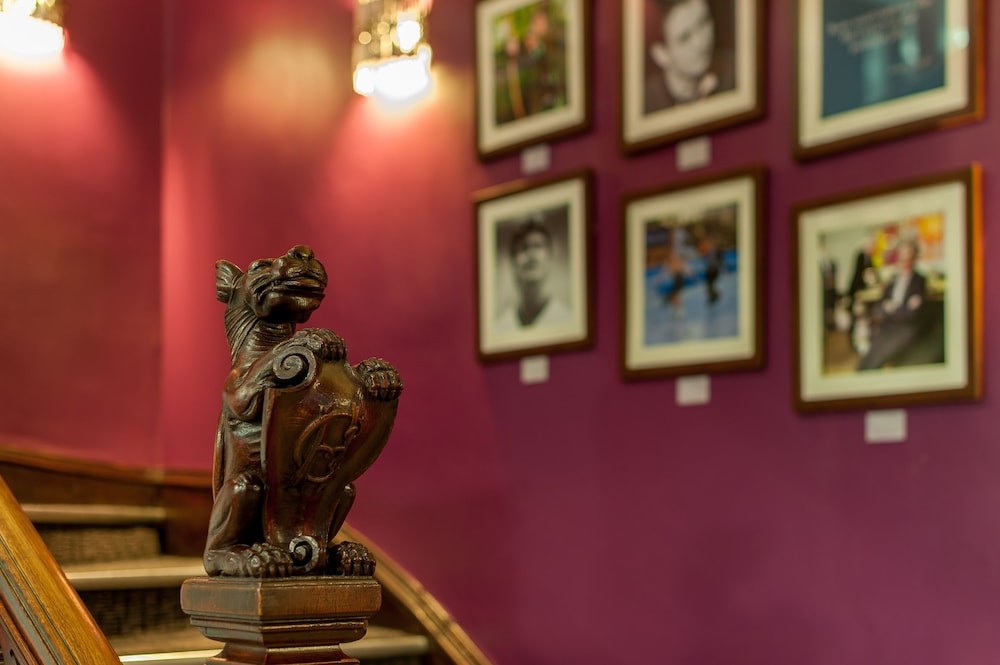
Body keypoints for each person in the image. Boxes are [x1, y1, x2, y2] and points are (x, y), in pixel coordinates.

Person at [644, 0, 734, 113]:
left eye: (703, 21)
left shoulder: (736, 71)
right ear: (661, 54)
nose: (701, 42)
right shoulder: (646, 103)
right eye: (685, 38)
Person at [856, 240, 928, 371]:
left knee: (881, 355)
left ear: (914, 259)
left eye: (908, 258)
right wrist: (895, 309)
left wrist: (892, 309)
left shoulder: (919, 281)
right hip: (887, 324)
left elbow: (912, 314)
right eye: (902, 258)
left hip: (904, 327)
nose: (904, 262)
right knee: (869, 356)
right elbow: (882, 303)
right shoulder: (893, 279)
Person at [496, 217, 571, 330]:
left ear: (550, 257)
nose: (531, 254)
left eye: (538, 246)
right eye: (524, 248)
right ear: (513, 261)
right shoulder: (501, 326)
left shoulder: (566, 318)